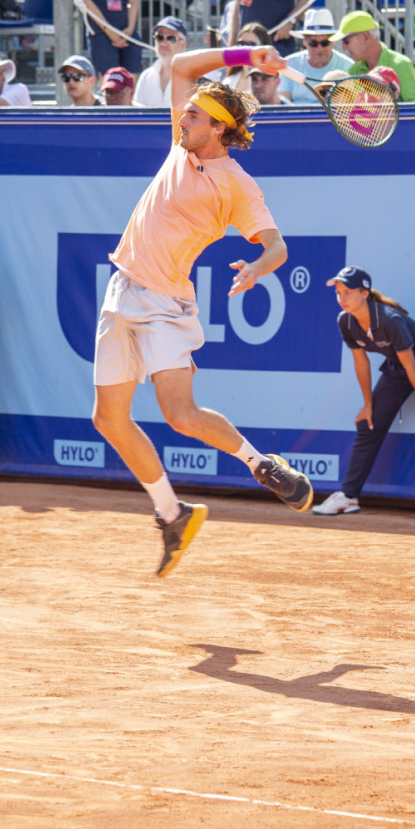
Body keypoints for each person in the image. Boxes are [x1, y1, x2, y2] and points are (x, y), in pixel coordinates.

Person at [92, 41, 313, 577]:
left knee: (181, 415)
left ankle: (260, 463)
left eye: (194, 115)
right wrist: (249, 54)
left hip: (166, 303)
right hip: (121, 291)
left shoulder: (237, 183)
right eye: (186, 111)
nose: (182, 117)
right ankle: (173, 514)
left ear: (217, 128)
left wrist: (260, 267)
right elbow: (184, 65)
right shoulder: (179, 144)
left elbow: (277, 246)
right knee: (108, 419)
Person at [312, 266, 415, 526]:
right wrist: (367, 405)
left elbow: (413, 367)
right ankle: (348, 497)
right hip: (398, 368)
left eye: (348, 292)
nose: (342, 298)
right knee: (369, 423)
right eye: (339, 293)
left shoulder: (390, 319)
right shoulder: (345, 320)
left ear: (364, 293)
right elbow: (361, 362)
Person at [330, 10, 415, 102]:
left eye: (346, 41)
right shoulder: (355, 70)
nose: (344, 48)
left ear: (365, 36)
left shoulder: (401, 64)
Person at [278, 7, 350, 103]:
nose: (319, 48)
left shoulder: (348, 67)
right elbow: (282, 107)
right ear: (304, 42)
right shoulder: (288, 65)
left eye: (324, 43)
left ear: (333, 42)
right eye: (313, 43)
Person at [133, 15, 187, 107]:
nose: (163, 43)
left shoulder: (193, 77)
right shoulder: (146, 77)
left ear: (183, 44)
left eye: (171, 39)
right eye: (159, 38)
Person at [221, 19, 269, 92]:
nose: (245, 48)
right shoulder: (229, 80)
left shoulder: (270, 81)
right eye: (241, 43)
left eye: (251, 44)